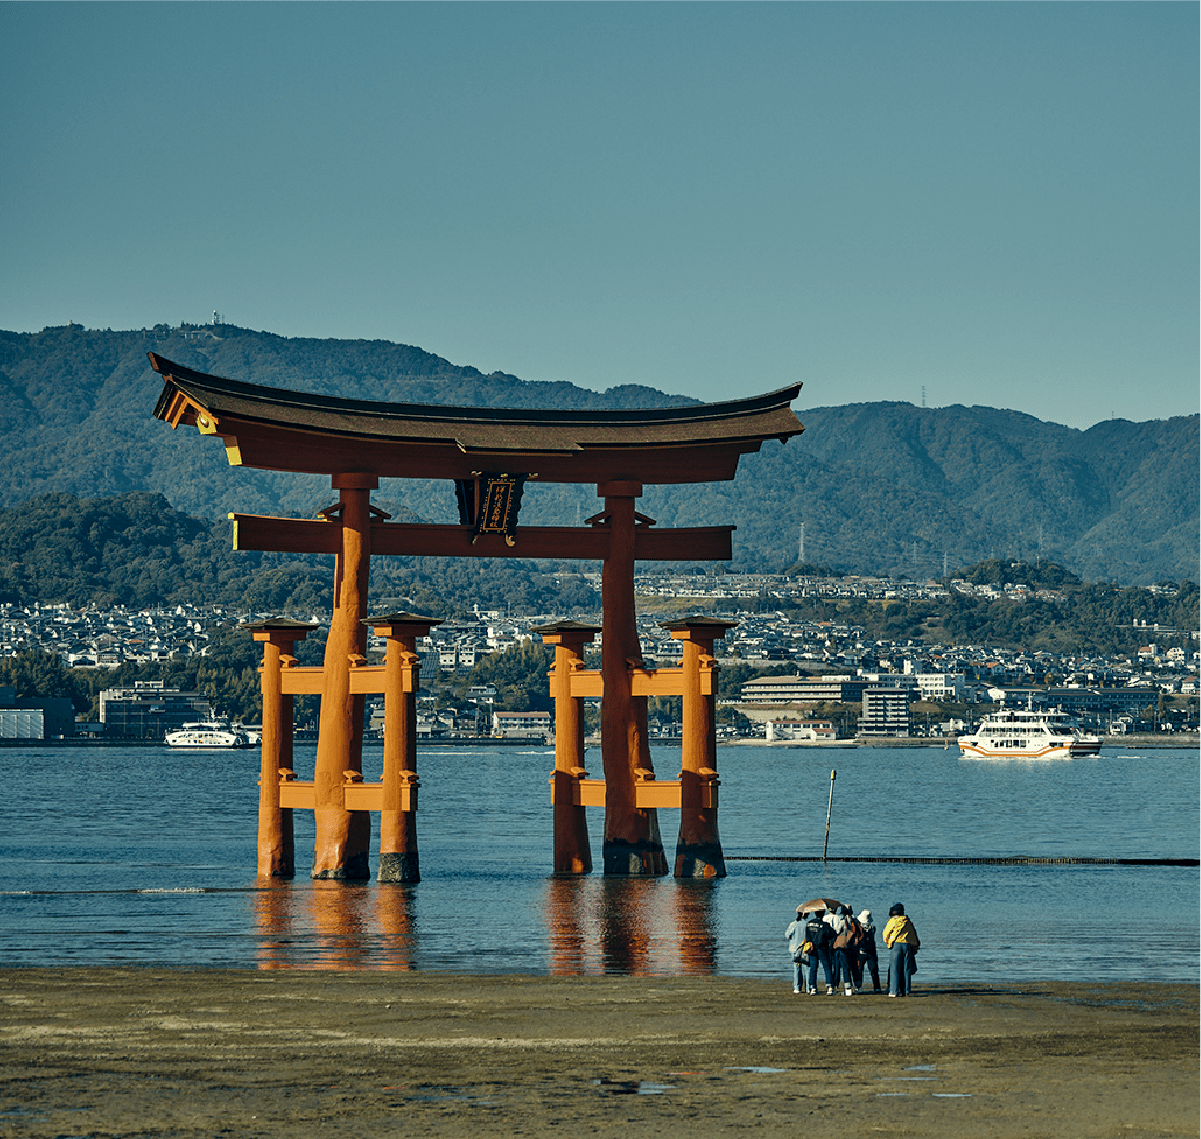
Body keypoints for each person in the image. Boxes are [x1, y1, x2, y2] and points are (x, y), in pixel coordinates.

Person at [882, 902, 920, 997]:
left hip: (896, 945)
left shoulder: (892, 921)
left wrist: (888, 942)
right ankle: (906, 991)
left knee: (894, 968)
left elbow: (885, 934)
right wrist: (916, 945)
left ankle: (894, 991)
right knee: (906, 969)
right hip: (907, 945)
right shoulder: (907, 921)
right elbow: (913, 935)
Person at [797, 907, 835, 994]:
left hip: (811, 948)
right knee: (827, 967)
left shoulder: (809, 923)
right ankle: (829, 987)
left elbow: (807, 935)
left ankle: (812, 987)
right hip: (822, 948)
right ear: (823, 914)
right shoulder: (824, 925)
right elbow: (832, 934)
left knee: (813, 968)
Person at [826, 904, 857, 996]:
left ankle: (837, 987)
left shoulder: (843, 921)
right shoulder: (855, 921)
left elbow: (837, 930)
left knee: (838, 967)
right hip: (851, 947)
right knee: (849, 968)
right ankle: (851, 987)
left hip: (841, 946)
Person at [856, 909, 882, 993]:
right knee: (870, 969)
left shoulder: (868, 928)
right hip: (867, 951)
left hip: (866, 951)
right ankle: (875, 987)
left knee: (868, 969)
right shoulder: (865, 928)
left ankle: (861, 987)